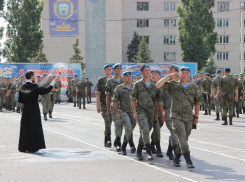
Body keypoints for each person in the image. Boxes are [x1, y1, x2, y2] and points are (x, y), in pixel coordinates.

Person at [156, 67, 201, 168]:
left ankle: (176, 157)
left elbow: (198, 102)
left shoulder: (194, 87)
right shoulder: (173, 85)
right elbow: (158, 85)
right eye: (182, 73)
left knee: (184, 138)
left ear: (190, 75)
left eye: (186, 73)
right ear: (179, 74)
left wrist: (196, 117)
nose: (184, 75)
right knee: (181, 137)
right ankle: (188, 159)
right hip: (176, 116)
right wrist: (168, 76)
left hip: (189, 117)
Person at [18, 70, 59, 153]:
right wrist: (54, 81)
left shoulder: (22, 87)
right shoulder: (35, 86)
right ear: (32, 77)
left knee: (25, 128)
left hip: (26, 110)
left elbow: (20, 100)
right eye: (34, 76)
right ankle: (33, 147)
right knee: (34, 127)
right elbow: (46, 90)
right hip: (34, 109)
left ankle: (24, 147)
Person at [131, 64, 159, 161]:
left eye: (149, 70)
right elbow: (133, 99)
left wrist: (156, 112)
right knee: (145, 129)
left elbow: (156, 100)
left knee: (146, 130)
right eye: (146, 70)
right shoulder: (137, 84)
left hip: (151, 111)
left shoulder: (155, 84)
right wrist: (134, 112)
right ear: (142, 72)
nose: (148, 71)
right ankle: (148, 152)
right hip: (141, 110)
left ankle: (139, 150)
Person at [112, 71, 136, 155]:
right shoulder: (119, 88)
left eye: (130, 76)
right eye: (127, 76)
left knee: (129, 129)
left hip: (134, 112)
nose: (129, 77)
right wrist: (117, 113)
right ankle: (131, 144)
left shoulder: (135, 87)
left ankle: (123, 147)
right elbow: (114, 101)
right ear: (123, 78)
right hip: (123, 111)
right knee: (128, 126)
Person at [159, 65, 179, 160]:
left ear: (176, 72)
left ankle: (169, 150)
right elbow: (161, 100)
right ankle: (176, 152)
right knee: (173, 130)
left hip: (179, 112)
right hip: (168, 111)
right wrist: (161, 113)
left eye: (171, 70)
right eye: (168, 70)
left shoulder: (181, 83)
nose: (169, 71)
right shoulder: (166, 84)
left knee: (175, 132)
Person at [105, 63, 124, 152]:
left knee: (122, 125)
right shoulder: (109, 82)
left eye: (120, 68)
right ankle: (119, 143)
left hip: (125, 107)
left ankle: (117, 139)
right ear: (114, 70)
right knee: (117, 124)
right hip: (114, 106)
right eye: (117, 68)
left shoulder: (125, 80)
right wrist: (108, 109)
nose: (119, 70)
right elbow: (108, 96)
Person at [96, 64, 113, 147]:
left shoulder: (114, 81)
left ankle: (106, 138)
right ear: (104, 70)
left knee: (110, 122)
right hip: (103, 104)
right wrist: (97, 106)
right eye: (107, 69)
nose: (109, 70)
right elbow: (98, 94)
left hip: (113, 105)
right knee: (107, 120)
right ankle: (109, 138)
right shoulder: (101, 80)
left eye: (110, 69)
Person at [150, 69, 164, 158]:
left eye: (155, 74)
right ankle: (158, 148)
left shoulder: (163, 85)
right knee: (156, 129)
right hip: (150, 111)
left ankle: (152, 144)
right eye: (152, 74)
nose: (153, 76)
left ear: (160, 76)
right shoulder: (149, 85)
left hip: (160, 111)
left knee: (157, 129)